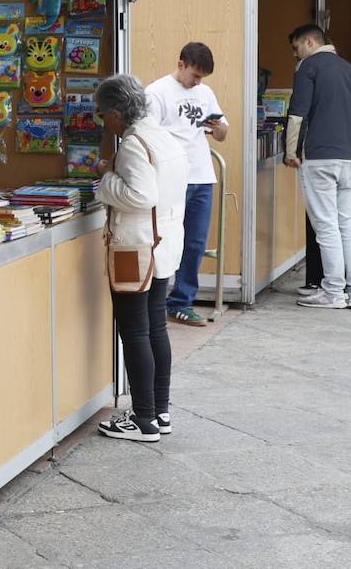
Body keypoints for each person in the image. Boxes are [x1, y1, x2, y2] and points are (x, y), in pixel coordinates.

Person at [94, 74, 189, 443]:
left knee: (134, 333)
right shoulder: (162, 136)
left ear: (118, 112)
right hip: (162, 244)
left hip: (135, 247)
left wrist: (106, 176)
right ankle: (159, 411)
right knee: (155, 329)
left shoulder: (133, 144)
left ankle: (143, 419)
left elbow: (139, 195)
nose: (104, 121)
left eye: (104, 113)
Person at [284, 24, 351, 310]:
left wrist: (291, 151)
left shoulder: (309, 67)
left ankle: (333, 291)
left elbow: (298, 113)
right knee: (348, 223)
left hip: (320, 155)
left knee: (327, 226)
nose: (296, 55)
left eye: (296, 48)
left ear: (309, 42)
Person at [145, 42, 227, 328]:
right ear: (181, 64)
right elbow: (147, 134)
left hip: (202, 175)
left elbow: (222, 133)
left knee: (195, 242)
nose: (198, 82)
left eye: (202, 77)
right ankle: (154, 298)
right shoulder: (156, 92)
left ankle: (181, 301)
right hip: (170, 176)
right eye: (195, 75)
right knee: (163, 239)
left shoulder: (205, 93)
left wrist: (219, 128)